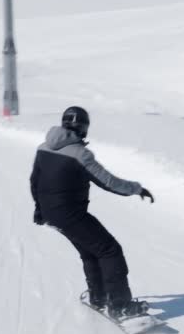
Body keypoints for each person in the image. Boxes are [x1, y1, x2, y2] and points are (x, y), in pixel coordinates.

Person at [29, 106, 155, 319]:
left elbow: (35, 181)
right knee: (110, 250)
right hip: (70, 215)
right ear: (84, 128)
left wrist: (40, 209)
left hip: (53, 214)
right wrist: (137, 189)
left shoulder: (43, 148)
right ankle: (121, 306)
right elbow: (109, 182)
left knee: (90, 250)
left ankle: (99, 297)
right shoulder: (80, 154)